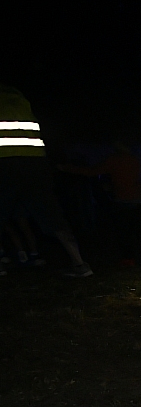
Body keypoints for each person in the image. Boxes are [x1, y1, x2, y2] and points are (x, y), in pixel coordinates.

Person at [0, 85, 92, 277]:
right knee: (53, 216)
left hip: (5, 163)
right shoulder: (21, 102)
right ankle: (79, 264)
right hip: (36, 165)